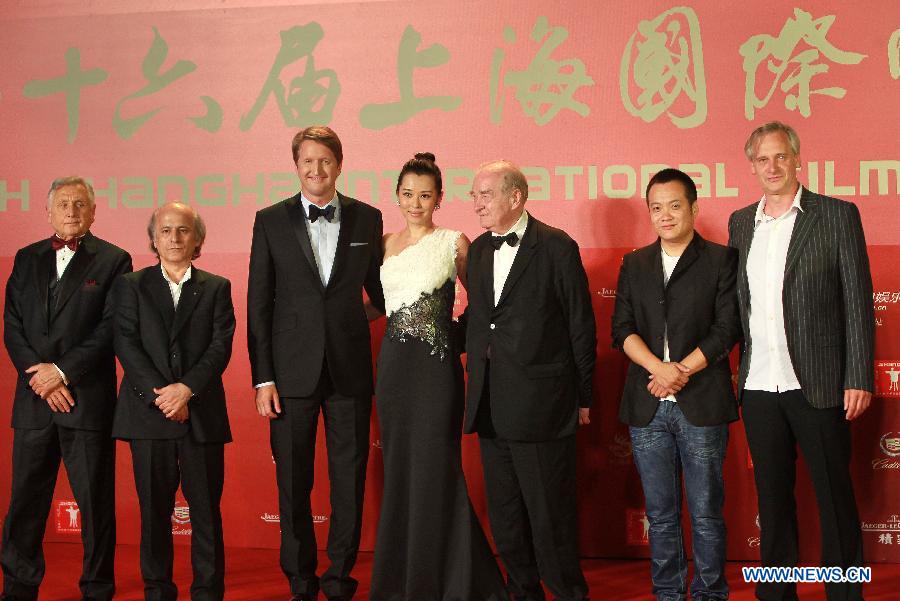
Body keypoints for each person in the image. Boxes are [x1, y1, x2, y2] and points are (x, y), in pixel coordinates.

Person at [728, 122, 874, 601]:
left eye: (780, 157)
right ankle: (775, 595)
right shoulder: (740, 223)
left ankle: (845, 595)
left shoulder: (836, 215)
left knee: (834, 499)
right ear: (752, 166)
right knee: (772, 503)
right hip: (759, 385)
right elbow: (736, 305)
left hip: (820, 384)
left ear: (796, 159)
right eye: (761, 160)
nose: (771, 167)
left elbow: (857, 300)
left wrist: (857, 375)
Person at [247, 126, 385, 601]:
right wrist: (263, 377)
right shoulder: (269, 220)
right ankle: (301, 581)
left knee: (349, 481)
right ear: (296, 165)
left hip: (349, 371)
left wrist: (346, 318)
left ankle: (339, 578)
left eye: (325, 160)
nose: (316, 170)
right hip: (289, 375)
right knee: (293, 483)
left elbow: (380, 296)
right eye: (307, 161)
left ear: (339, 164)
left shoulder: (368, 218)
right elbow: (258, 304)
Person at [369, 153, 507, 601]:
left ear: (440, 198)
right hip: (392, 371)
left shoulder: (454, 242)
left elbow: (483, 304)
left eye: (425, 195)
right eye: (408, 194)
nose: (415, 203)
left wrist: (452, 335)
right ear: (397, 195)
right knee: (402, 474)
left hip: (435, 370)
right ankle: (403, 581)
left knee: (436, 470)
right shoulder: (384, 243)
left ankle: (457, 581)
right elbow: (376, 305)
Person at [464, 160, 596, 601]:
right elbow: (481, 321)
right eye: (474, 195)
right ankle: (522, 592)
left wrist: (584, 396)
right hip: (490, 405)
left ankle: (568, 593)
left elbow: (581, 325)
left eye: (485, 195)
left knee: (549, 515)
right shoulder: (480, 250)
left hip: (543, 405)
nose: (476, 204)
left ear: (515, 197)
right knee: (505, 517)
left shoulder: (557, 247)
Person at [611, 168, 741, 601]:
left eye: (674, 205)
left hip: (700, 400)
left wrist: (680, 370)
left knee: (705, 513)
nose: (664, 215)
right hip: (648, 402)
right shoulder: (635, 263)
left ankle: (709, 593)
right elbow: (622, 328)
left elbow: (727, 329)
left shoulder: (721, 259)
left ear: (694, 208)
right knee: (661, 516)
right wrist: (659, 370)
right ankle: (668, 593)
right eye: (656, 207)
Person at [1, 176, 132, 601]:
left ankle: (97, 588)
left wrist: (62, 372)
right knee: (25, 504)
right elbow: (13, 326)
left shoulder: (115, 260)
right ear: (48, 211)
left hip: (85, 400)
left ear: (93, 211)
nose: (71, 211)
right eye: (63, 204)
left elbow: (112, 327)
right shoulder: (26, 258)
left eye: (79, 204)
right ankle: (19, 588)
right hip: (34, 399)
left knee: (95, 505)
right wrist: (41, 379)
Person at [112, 202, 235, 601]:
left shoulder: (217, 286)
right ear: (153, 238)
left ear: (197, 238)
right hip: (148, 414)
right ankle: (157, 590)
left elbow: (220, 347)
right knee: (154, 514)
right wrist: (163, 395)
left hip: (200, 413)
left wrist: (186, 390)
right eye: (165, 231)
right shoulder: (131, 285)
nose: (174, 238)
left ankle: (207, 592)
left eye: (183, 230)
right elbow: (126, 344)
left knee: (206, 515)